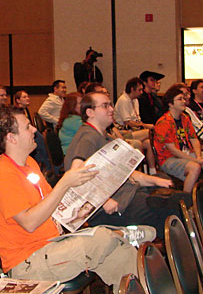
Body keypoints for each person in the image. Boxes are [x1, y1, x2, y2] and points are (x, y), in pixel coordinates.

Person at [0, 107, 153, 294]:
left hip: (53, 244)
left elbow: (50, 203)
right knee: (103, 237)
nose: (34, 130)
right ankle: (121, 233)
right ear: (11, 138)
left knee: (121, 253)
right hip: (28, 262)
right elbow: (29, 223)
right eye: (27, 126)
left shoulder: (29, 163)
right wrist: (64, 183)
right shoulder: (2, 175)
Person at [64, 92, 182, 235]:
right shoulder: (88, 138)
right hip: (115, 207)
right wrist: (104, 201)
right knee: (172, 211)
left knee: (170, 192)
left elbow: (125, 173)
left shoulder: (105, 137)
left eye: (110, 105)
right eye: (105, 106)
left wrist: (154, 180)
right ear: (90, 112)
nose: (111, 109)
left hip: (128, 194)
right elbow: (74, 175)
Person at [154, 85, 203, 192]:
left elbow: (194, 139)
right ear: (170, 104)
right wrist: (195, 160)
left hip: (187, 152)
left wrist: (199, 156)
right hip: (169, 158)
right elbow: (173, 150)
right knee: (195, 167)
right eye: (180, 99)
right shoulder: (164, 122)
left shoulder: (185, 118)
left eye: (183, 98)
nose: (184, 101)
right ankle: (186, 198)